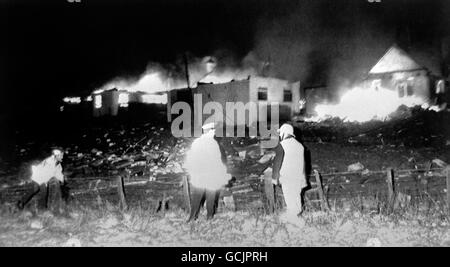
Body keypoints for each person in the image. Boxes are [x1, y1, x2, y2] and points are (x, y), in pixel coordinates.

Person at [183, 122, 232, 221]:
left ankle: (192, 218)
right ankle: (209, 218)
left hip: (200, 174)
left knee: (197, 196)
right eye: (213, 130)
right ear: (210, 131)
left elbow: (191, 157)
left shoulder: (196, 142)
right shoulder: (213, 143)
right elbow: (217, 160)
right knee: (211, 197)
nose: (214, 132)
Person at [272, 123, 307, 222]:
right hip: (297, 176)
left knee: (289, 197)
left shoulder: (281, 145)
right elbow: (303, 163)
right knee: (296, 196)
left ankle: (293, 219)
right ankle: (297, 216)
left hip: (286, 176)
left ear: (283, 133)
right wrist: (303, 178)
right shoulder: (300, 146)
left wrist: (275, 177)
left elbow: (277, 161)